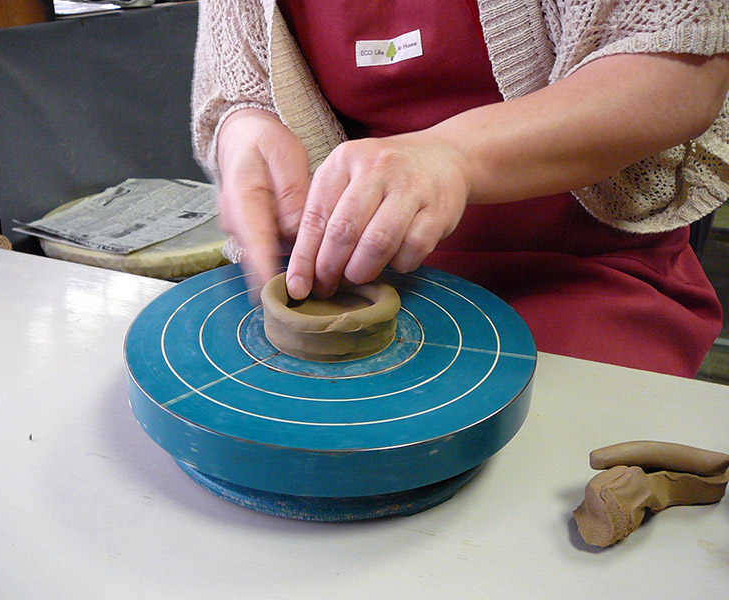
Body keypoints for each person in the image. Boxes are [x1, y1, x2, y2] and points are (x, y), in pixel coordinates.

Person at [191, 0, 729, 377]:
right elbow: (237, 82)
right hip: (346, 264)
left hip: (583, 269)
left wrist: (451, 156)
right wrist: (245, 126)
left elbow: (679, 69)